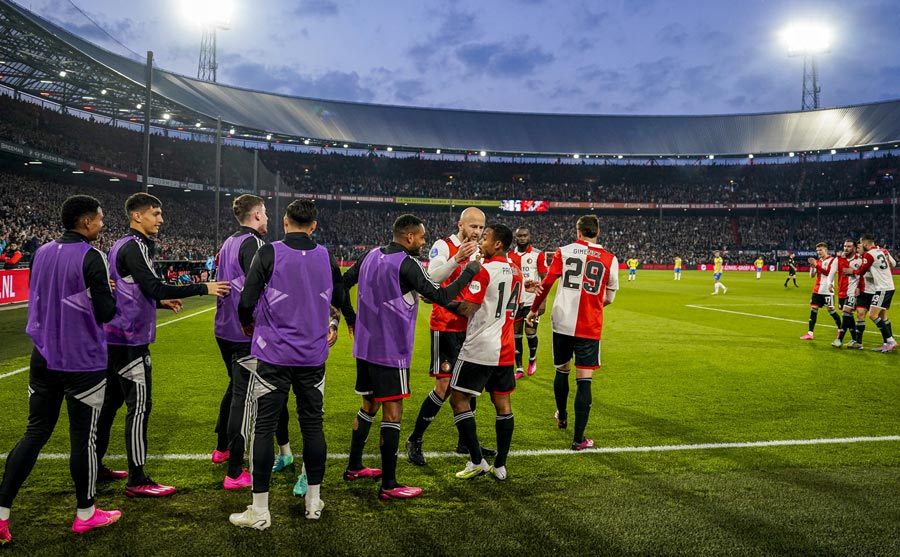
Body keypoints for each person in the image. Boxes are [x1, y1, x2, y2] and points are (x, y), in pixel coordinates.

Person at [0, 196, 121, 543]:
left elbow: (53, 294)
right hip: (81, 359)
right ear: (85, 223)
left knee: (35, 432)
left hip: (43, 355)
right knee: (83, 439)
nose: (101, 224)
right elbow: (106, 313)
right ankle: (86, 514)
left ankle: (1, 513)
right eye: (99, 219)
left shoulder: (42, 252)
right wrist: (108, 293)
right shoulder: (92, 256)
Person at [95, 192, 230, 498]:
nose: (161, 219)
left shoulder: (124, 244)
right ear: (137, 216)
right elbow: (153, 286)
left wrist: (159, 303)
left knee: (111, 404)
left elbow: (134, 291)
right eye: (155, 213)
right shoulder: (134, 246)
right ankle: (137, 479)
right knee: (139, 406)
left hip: (117, 335)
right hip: (130, 339)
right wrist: (203, 287)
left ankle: (97, 465)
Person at [342, 214, 480, 500]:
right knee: (392, 413)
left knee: (368, 406)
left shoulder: (369, 256)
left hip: (365, 348)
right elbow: (439, 297)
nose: (423, 241)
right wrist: (468, 271)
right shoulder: (407, 263)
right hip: (390, 350)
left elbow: (341, 285)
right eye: (421, 236)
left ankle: (354, 466)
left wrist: (350, 317)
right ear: (409, 237)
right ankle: (389, 484)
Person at [228, 200, 343, 529]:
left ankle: (260, 510)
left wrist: (248, 324)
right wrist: (332, 326)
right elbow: (337, 299)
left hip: (274, 354)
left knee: (264, 428)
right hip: (312, 355)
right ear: (314, 225)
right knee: (313, 426)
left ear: (285, 221)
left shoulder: (269, 251)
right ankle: (314, 501)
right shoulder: (326, 255)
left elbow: (246, 301)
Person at [406, 207, 491, 467]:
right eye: (472, 226)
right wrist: (457, 258)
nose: (476, 231)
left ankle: (466, 443)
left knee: (468, 387)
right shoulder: (443, 246)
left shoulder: (481, 252)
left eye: (480, 228)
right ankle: (415, 439)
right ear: (460, 225)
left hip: (470, 327)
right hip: (445, 326)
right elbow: (430, 279)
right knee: (444, 388)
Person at [526, 215, 619, 451]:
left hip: (563, 322)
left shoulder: (563, 251)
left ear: (578, 231)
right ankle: (579, 439)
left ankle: (562, 415)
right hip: (589, 325)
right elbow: (608, 297)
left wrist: (534, 310)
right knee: (584, 379)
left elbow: (546, 283)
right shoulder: (610, 259)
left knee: (562, 370)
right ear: (597, 232)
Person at [449, 224, 523, 481]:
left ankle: (477, 460)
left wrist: (437, 298)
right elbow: (517, 308)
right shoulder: (516, 269)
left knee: (458, 400)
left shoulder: (484, 270)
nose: (481, 242)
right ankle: (500, 466)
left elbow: (466, 309)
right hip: (505, 347)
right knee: (502, 405)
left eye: (486, 238)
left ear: (498, 244)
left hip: (480, 347)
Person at [211, 195, 269, 491]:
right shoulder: (254, 244)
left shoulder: (229, 241)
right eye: (266, 213)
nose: (268, 219)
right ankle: (235, 471)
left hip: (223, 328)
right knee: (243, 398)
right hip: (242, 330)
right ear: (257, 215)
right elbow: (255, 286)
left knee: (234, 387)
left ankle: (221, 448)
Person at [844, 233, 897, 352]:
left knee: (873, 315)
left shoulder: (869, 254)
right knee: (881, 316)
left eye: (861, 244)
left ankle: (890, 341)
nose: (860, 246)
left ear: (866, 244)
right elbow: (893, 264)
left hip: (883, 288)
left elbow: (861, 271)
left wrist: (852, 271)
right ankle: (887, 342)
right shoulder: (883, 251)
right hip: (887, 286)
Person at [507, 226, 548, 379]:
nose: (522, 238)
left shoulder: (538, 255)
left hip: (533, 301)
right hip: (516, 301)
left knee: (530, 333)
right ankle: (519, 368)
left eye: (525, 235)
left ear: (529, 236)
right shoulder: (509, 256)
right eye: (519, 236)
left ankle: (532, 358)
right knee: (516, 335)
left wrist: (542, 301)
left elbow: (545, 279)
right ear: (515, 237)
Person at [800, 242, 843, 341]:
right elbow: (811, 276)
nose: (819, 252)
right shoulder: (818, 261)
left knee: (831, 311)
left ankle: (841, 330)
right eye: (817, 250)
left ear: (826, 250)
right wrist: (812, 266)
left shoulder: (832, 260)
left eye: (821, 250)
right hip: (816, 290)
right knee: (813, 311)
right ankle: (810, 333)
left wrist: (816, 265)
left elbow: (828, 273)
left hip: (827, 290)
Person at [833, 240, 859, 348]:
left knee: (846, 313)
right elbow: (832, 272)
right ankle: (855, 339)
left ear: (854, 248)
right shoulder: (840, 259)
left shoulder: (859, 259)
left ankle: (839, 340)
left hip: (853, 291)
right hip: (843, 291)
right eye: (844, 246)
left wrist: (859, 287)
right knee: (849, 315)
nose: (846, 248)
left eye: (849, 246)